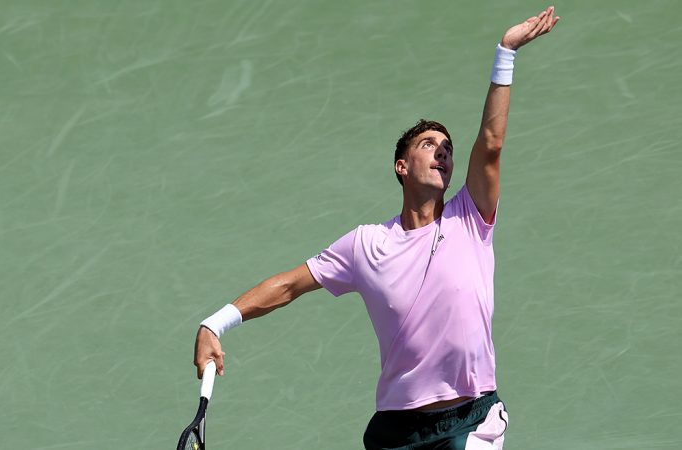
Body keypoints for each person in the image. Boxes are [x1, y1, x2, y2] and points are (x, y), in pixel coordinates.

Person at [193, 7, 559, 449]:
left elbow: (493, 143)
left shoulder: (471, 215)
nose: (442, 153)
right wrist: (216, 323)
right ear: (402, 167)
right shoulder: (366, 244)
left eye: (448, 149)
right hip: (396, 432)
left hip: (471, 419)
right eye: (429, 145)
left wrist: (506, 53)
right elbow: (289, 285)